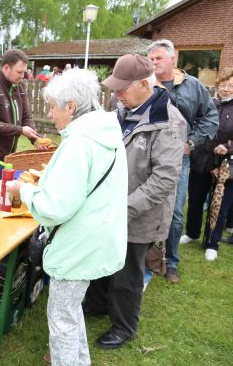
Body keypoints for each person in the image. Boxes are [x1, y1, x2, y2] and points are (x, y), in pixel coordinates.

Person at [7, 68, 128, 365]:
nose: (50, 114)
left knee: (61, 321)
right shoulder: (105, 133)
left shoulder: (78, 142)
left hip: (77, 246)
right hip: (96, 238)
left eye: (52, 107)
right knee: (72, 313)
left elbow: (53, 207)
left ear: (71, 107)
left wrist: (25, 190)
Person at [84, 54, 186, 349]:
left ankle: (124, 327)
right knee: (103, 260)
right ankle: (99, 304)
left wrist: (123, 208)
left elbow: (164, 180)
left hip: (140, 215)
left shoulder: (168, 122)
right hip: (112, 208)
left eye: (122, 89)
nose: (116, 94)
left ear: (144, 84)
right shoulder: (122, 110)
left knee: (127, 273)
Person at [147, 39, 218, 283]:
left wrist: (192, 143)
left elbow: (210, 117)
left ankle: (171, 261)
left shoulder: (192, 86)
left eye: (158, 58)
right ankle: (145, 257)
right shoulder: (146, 84)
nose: (154, 62)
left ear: (172, 59)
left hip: (179, 159)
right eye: (151, 59)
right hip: (146, 157)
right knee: (145, 205)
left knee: (175, 212)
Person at [182, 67, 233, 260]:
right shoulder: (209, 103)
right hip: (201, 161)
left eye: (230, 85)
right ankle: (192, 233)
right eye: (223, 84)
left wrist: (227, 147)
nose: (226, 88)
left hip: (224, 165)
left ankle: (212, 243)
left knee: (218, 204)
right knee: (195, 199)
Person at [0, 49, 45, 178]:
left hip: (9, 158)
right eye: (19, 72)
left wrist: (35, 138)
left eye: (24, 72)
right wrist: (20, 130)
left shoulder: (19, 85)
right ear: (6, 67)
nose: (23, 76)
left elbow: (26, 117)